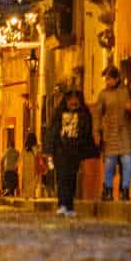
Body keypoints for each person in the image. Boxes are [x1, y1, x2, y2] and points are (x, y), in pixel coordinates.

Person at [93, 66, 131, 201]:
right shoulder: (103, 94)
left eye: (109, 79)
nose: (107, 82)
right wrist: (96, 132)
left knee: (127, 162)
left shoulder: (128, 91)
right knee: (110, 164)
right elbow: (97, 114)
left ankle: (125, 190)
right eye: (106, 79)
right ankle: (108, 190)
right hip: (110, 134)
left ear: (116, 79)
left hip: (127, 133)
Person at [44, 89, 98, 217]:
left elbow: (86, 133)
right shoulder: (58, 114)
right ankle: (62, 204)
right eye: (71, 100)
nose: (73, 102)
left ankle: (69, 205)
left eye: (75, 100)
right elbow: (52, 132)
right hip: (60, 152)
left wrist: (88, 149)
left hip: (75, 152)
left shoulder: (84, 114)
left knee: (72, 178)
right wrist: (49, 150)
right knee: (62, 178)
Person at [21, 132, 39, 198]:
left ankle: (27, 194)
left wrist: (17, 165)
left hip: (25, 167)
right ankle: (32, 194)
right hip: (33, 166)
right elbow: (37, 156)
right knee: (34, 180)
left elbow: (21, 157)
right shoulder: (36, 148)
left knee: (27, 181)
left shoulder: (24, 148)